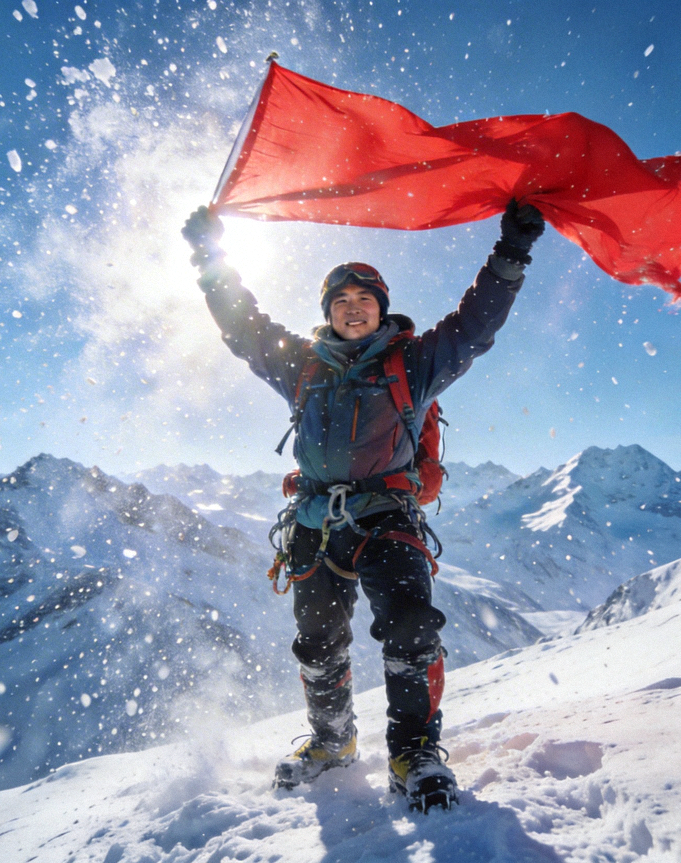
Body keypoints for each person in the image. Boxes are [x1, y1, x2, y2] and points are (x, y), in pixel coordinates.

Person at [182, 200, 545, 812]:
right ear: (328, 313)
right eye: (341, 301)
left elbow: (473, 326)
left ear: (381, 309)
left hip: (386, 518)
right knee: (317, 641)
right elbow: (244, 327)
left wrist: (511, 253)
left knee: (410, 628)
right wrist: (208, 256)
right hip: (316, 524)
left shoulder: (414, 363)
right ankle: (333, 742)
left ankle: (415, 754)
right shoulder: (302, 366)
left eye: (365, 299)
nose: (353, 308)